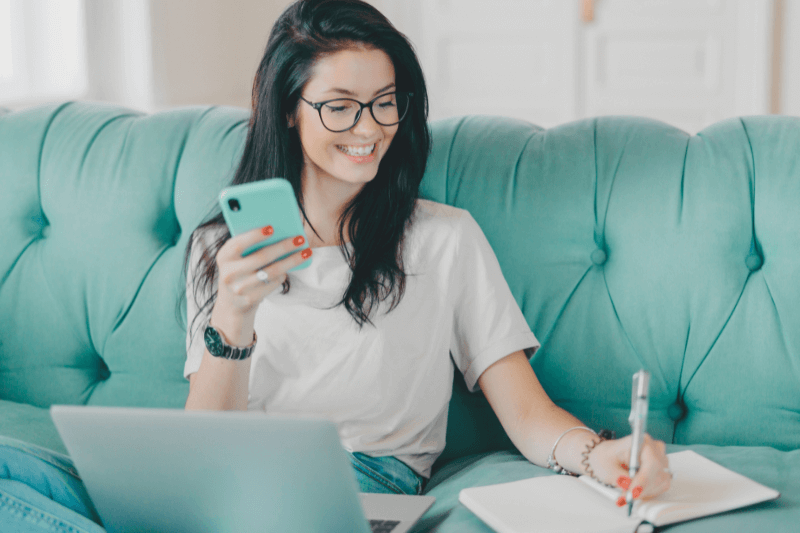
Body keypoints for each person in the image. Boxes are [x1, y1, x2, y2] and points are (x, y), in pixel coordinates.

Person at [183, 0, 672, 502]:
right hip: (242, 485)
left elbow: (528, 416)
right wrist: (234, 315)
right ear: (287, 108)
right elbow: (205, 452)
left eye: (385, 101)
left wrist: (597, 457)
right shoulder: (223, 251)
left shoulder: (444, 239)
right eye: (341, 106)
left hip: (363, 484)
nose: (370, 128)